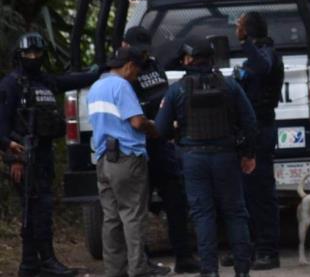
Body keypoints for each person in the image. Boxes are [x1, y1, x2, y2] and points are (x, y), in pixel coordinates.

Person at [155, 36, 258, 277]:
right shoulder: (230, 85)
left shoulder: (177, 90)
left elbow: (159, 130)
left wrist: (176, 134)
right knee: (235, 213)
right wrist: (248, 154)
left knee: (203, 215)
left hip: (193, 160)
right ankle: (242, 271)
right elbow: (250, 122)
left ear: (188, 59)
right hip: (226, 157)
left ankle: (209, 271)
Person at [0, 32, 98, 277]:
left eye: (37, 53)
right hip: (23, 155)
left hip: (43, 155)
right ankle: (41, 262)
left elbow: (69, 81)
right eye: (28, 54)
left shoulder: (44, 81)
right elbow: (2, 124)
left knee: (41, 210)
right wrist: (12, 156)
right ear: (19, 56)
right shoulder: (11, 84)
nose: (33, 57)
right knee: (34, 212)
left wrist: (98, 71)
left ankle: (32, 264)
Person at [122, 27, 199, 274]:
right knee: (138, 208)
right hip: (137, 145)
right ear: (125, 46)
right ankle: (141, 261)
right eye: (138, 51)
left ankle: (184, 256)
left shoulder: (153, 65)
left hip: (162, 144)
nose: (143, 55)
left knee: (176, 202)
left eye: (145, 50)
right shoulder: (121, 71)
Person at [88, 46, 163, 277]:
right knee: (132, 215)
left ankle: (115, 271)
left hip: (103, 160)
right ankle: (138, 269)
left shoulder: (95, 87)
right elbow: (137, 122)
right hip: (127, 159)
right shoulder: (121, 86)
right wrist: (154, 128)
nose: (136, 76)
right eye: (136, 71)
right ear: (129, 65)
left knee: (111, 217)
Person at [235, 12, 285, 271]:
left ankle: (268, 250)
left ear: (248, 31)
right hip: (250, 131)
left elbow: (263, 68)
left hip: (261, 129)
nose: (235, 29)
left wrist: (246, 43)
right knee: (246, 194)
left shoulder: (265, 53)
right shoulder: (257, 53)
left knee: (262, 193)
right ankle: (250, 248)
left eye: (239, 26)